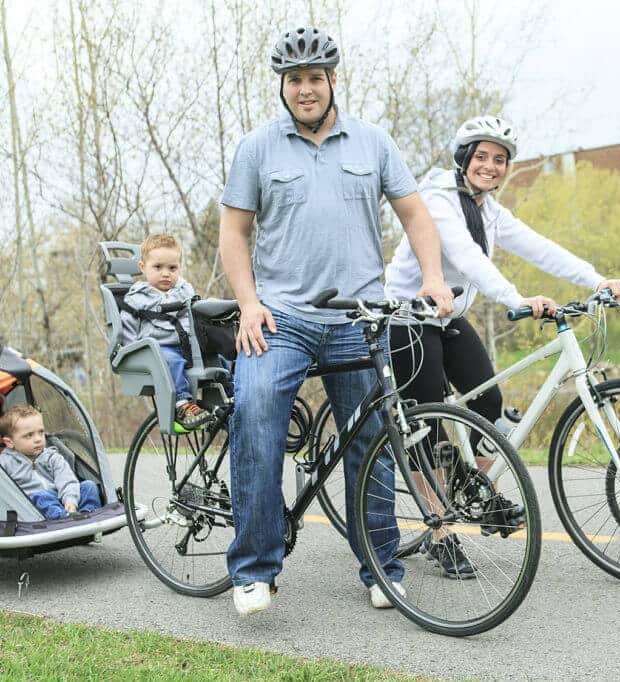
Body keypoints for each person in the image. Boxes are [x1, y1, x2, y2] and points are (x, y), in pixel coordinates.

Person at [218, 26, 453, 616]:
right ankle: (254, 570)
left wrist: (432, 277)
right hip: (283, 318)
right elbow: (234, 233)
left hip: (360, 316)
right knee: (255, 414)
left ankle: (380, 567)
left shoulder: (372, 143)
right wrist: (249, 303)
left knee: (372, 439)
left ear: (332, 81)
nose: (305, 89)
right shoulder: (257, 148)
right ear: (283, 85)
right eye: (294, 80)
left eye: (314, 79)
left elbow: (415, 214)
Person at [384, 115, 620, 579]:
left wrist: (595, 278)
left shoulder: (488, 209)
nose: (490, 166)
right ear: (463, 159)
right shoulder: (437, 198)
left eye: (500, 159)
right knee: (430, 421)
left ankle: (475, 491)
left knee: (488, 400)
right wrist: (517, 299)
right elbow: (466, 258)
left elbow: (538, 246)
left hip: (448, 315)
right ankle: (440, 531)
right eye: (482, 157)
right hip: (408, 317)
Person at [120, 233, 211, 430]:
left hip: (187, 344)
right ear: (143, 267)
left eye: (172, 268)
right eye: (158, 267)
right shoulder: (138, 297)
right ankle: (182, 405)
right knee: (172, 361)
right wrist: (131, 353)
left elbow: (194, 318)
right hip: (158, 349)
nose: (166, 273)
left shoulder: (184, 291)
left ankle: (230, 396)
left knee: (217, 357)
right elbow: (128, 329)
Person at [0, 404, 102, 519]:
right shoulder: (3, 463)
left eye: (41, 432)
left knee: (89, 486)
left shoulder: (52, 457)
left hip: (61, 499)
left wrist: (70, 501)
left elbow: (67, 480)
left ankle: (86, 514)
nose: (38, 439)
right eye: (29, 435)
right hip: (33, 507)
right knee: (41, 496)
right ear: (9, 442)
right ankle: (63, 518)